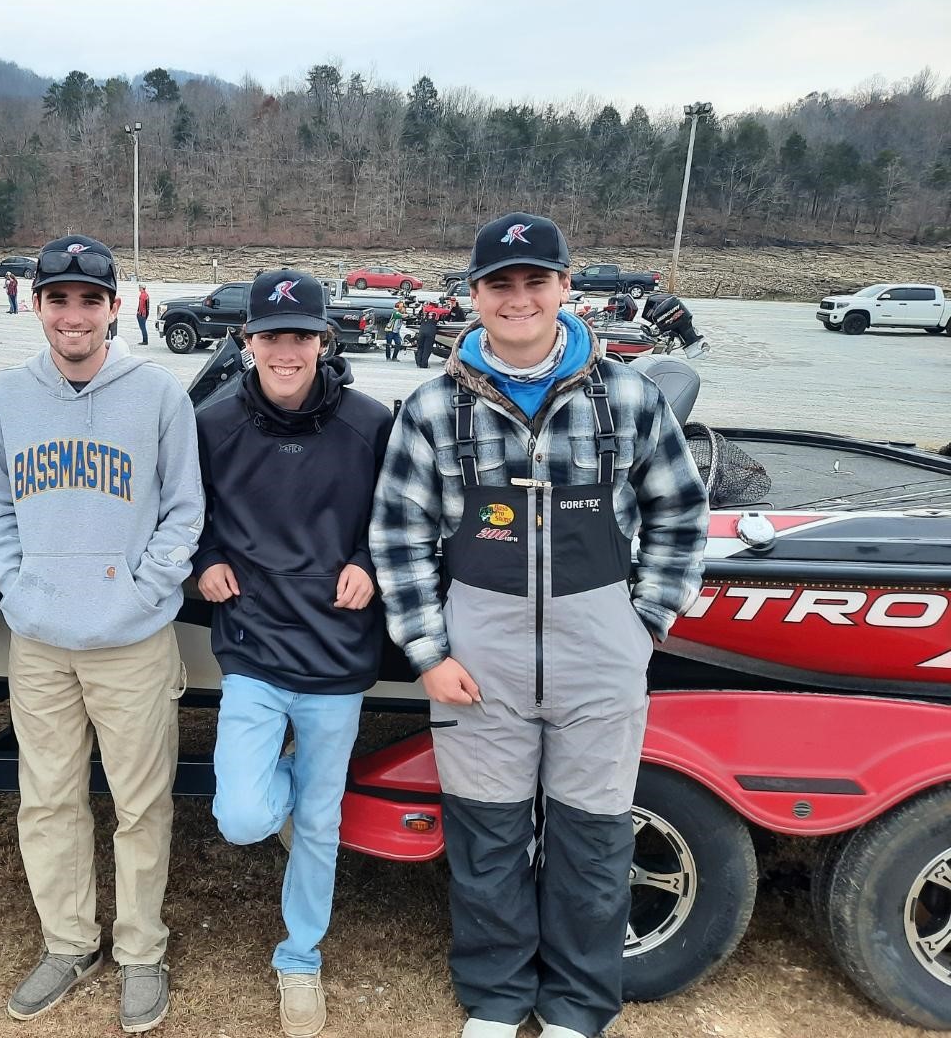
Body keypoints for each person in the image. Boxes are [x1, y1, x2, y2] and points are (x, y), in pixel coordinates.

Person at [369, 211, 709, 1038]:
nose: (517, 299)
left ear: (565, 286)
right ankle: (494, 999)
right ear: (475, 295)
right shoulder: (433, 407)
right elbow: (400, 534)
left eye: (535, 281)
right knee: (487, 844)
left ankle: (576, 1007)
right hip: (477, 662)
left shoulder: (628, 397)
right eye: (499, 284)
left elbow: (679, 515)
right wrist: (428, 651)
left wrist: (647, 622)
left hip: (601, 655)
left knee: (592, 845)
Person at [0, 235, 202, 1035]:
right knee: (49, 799)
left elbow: (184, 510)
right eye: (58, 298)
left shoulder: (158, 395)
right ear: (35, 304)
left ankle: (141, 951)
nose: (74, 315)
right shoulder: (3, 397)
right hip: (40, 640)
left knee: (141, 806)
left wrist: (144, 589)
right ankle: (70, 942)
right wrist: (18, 583)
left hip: (132, 640)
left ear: (114, 307)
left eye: (89, 299)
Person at [195, 270, 392, 1038]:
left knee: (319, 822)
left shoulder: (371, 424)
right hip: (251, 647)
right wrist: (201, 559)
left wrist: (370, 563)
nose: (287, 350)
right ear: (248, 342)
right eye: (272, 336)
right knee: (244, 816)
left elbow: (403, 514)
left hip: (338, 658)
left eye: (301, 335)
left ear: (322, 341)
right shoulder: (211, 425)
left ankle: (300, 957)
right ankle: (288, 790)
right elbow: (187, 513)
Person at [413, 301, 443, 369]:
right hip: (430, 330)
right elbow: (447, 311)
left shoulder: (424, 309)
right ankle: (424, 364)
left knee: (420, 347)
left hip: (422, 330)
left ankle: (418, 363)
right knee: (427, 348)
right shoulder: (437, 310)